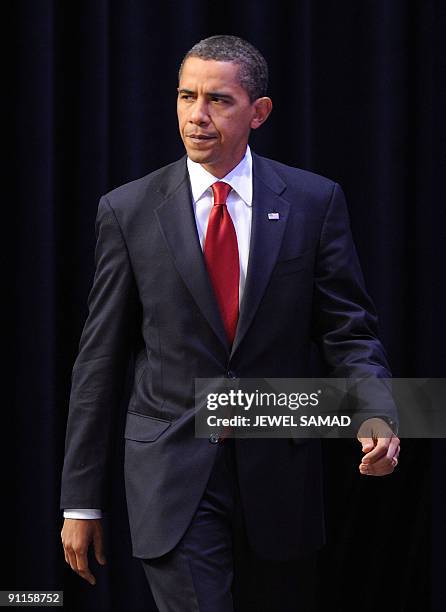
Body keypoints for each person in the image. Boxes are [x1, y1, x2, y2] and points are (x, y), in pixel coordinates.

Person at [60, 35, 400, 611]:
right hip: (173, 477)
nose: (197, 115)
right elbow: (99, 360)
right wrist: (80, 500)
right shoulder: (128, 210)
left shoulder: (314, 203)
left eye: (218, 100)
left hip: (280, 475)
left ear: (258, 112)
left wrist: (378, 409)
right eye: (186, 96)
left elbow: (349, 329)